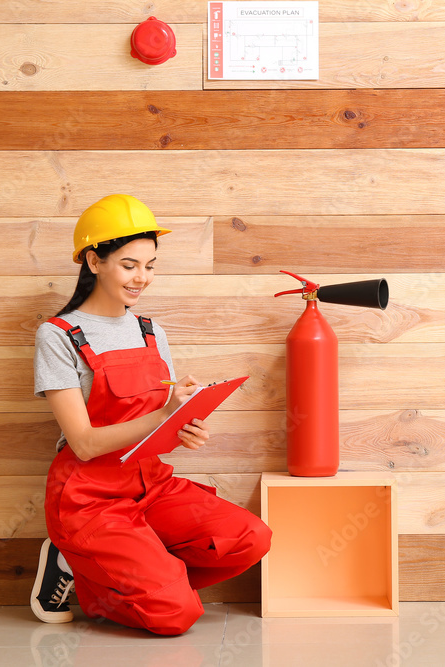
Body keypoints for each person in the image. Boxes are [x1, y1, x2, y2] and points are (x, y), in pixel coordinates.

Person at [29, 194, 272, 635]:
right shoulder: (58, 335)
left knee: (250, 539)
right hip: (90, 496)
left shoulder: (149, 330)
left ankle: (141, 572)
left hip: (150, 483)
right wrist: (164, 418)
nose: (142, 278)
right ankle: (79, 563)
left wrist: (186, 425)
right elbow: (82, 442)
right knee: (175, 615)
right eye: (129, 265)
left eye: (151, 265)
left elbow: (163, 415)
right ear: (93, 261)